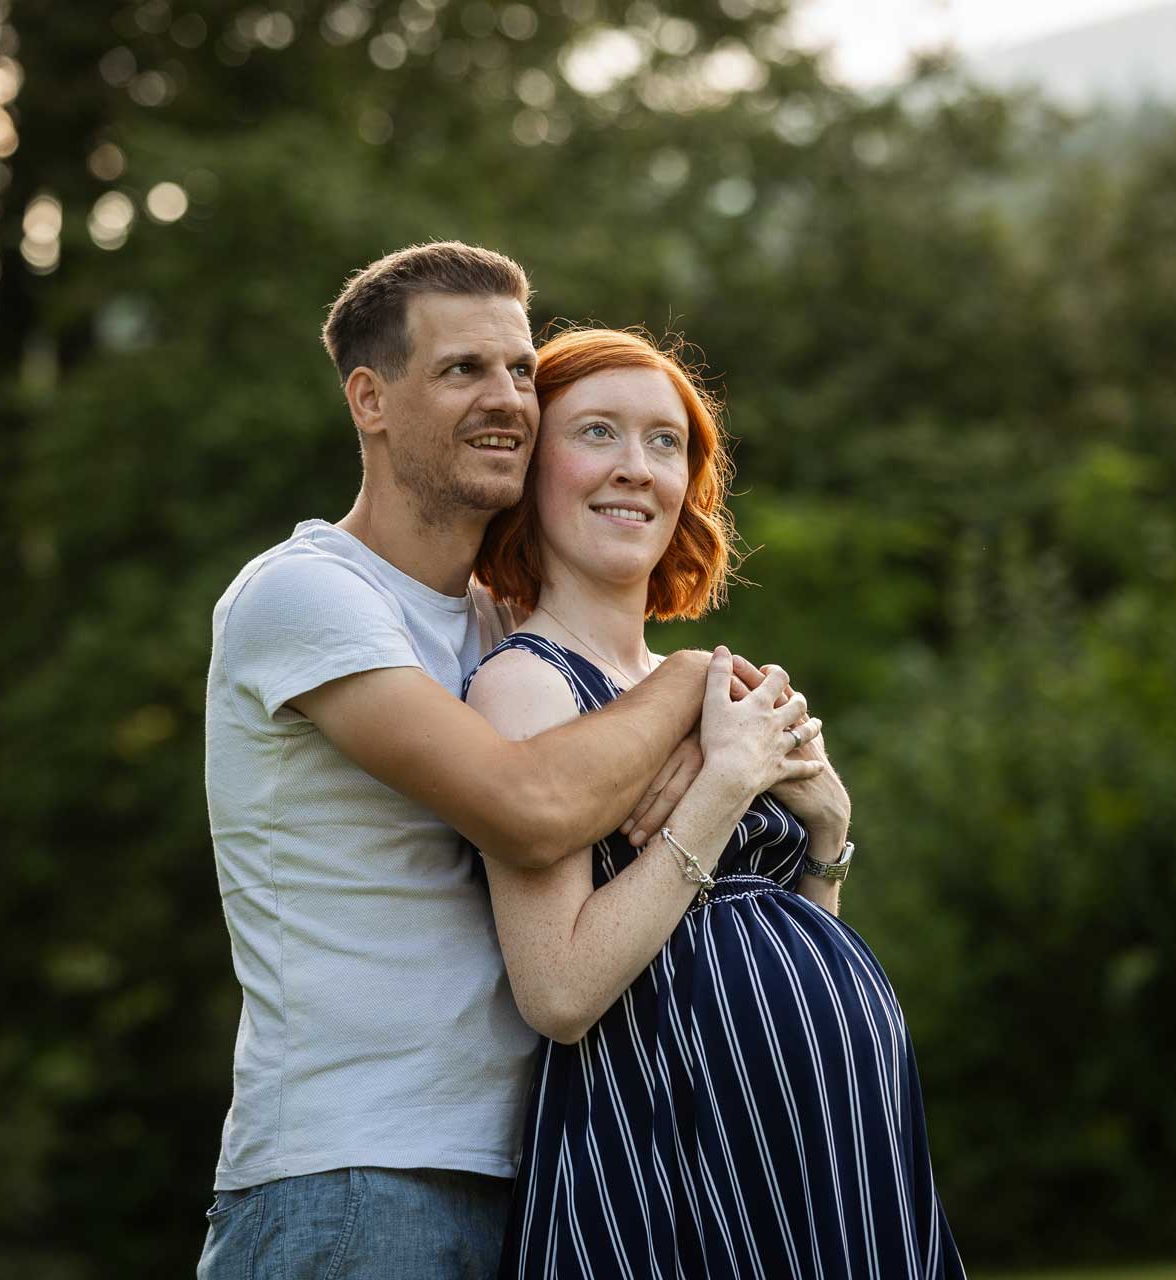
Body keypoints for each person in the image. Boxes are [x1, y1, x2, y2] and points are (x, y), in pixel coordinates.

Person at [198, 245, 819, 1279]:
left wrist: (740, 750)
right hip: (358, 1178)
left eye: (522, 370)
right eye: (462, 370)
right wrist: (687, 688)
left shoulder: (502, 629)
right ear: (370, 399)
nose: (509, 400)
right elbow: (530, 807)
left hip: (534, 1172)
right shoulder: (305, 597)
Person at [465, 327, 965, 1278]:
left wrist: (827, 832)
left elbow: (773, 926)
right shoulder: (526, 684)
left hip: (832, 1142)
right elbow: (560, 993)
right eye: (598, 433)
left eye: (665, 442)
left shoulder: (703, 688)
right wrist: (730, 780)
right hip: (677, 1141)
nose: (636, 469)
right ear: (531, 470)